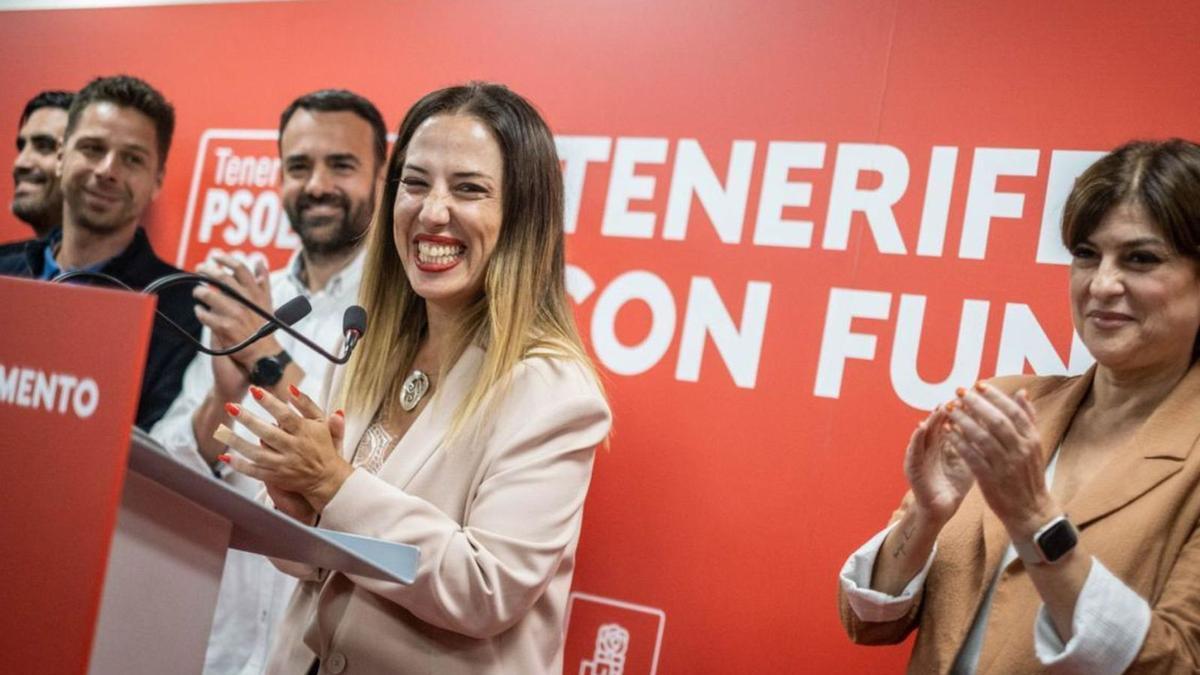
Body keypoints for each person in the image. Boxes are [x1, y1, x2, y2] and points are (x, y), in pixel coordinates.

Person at [215, 82, 611, 674]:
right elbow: (317, 564)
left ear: (522, 217)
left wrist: (331, 486)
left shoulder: (552, 390)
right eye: (416, 183)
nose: (431, 211)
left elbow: (486, 589)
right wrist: (294, 504)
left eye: (469, 189)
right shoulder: (367, 343)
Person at [838, 138, 1200, 673]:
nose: (1101, 285)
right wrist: (926, 517)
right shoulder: (1010, 402)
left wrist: (1036, 523)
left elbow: (1174, 663)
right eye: (1085, 255)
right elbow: (868, 621)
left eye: (1141, 259)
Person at [150, 88, 387, 675]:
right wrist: (222, 401)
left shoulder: (402, 314)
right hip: (218, 640)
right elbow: (176, 462)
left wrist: (267, 354)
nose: (317, 185)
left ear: (383, 176)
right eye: (299, 166)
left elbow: (364, 467)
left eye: (342, 165)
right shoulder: (250, 298)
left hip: (314, 644)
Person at [0, 75, 199, 430]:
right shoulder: (4, 269)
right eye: (93, 148)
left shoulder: (181, 311)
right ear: (62, 157)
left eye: (132, 159)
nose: (108, 171)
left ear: (156, 180)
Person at [10, 90, 73, 239]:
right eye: (22, 147)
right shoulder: (7, 261)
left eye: (44, 146)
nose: (20, 163)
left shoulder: (134, 261)